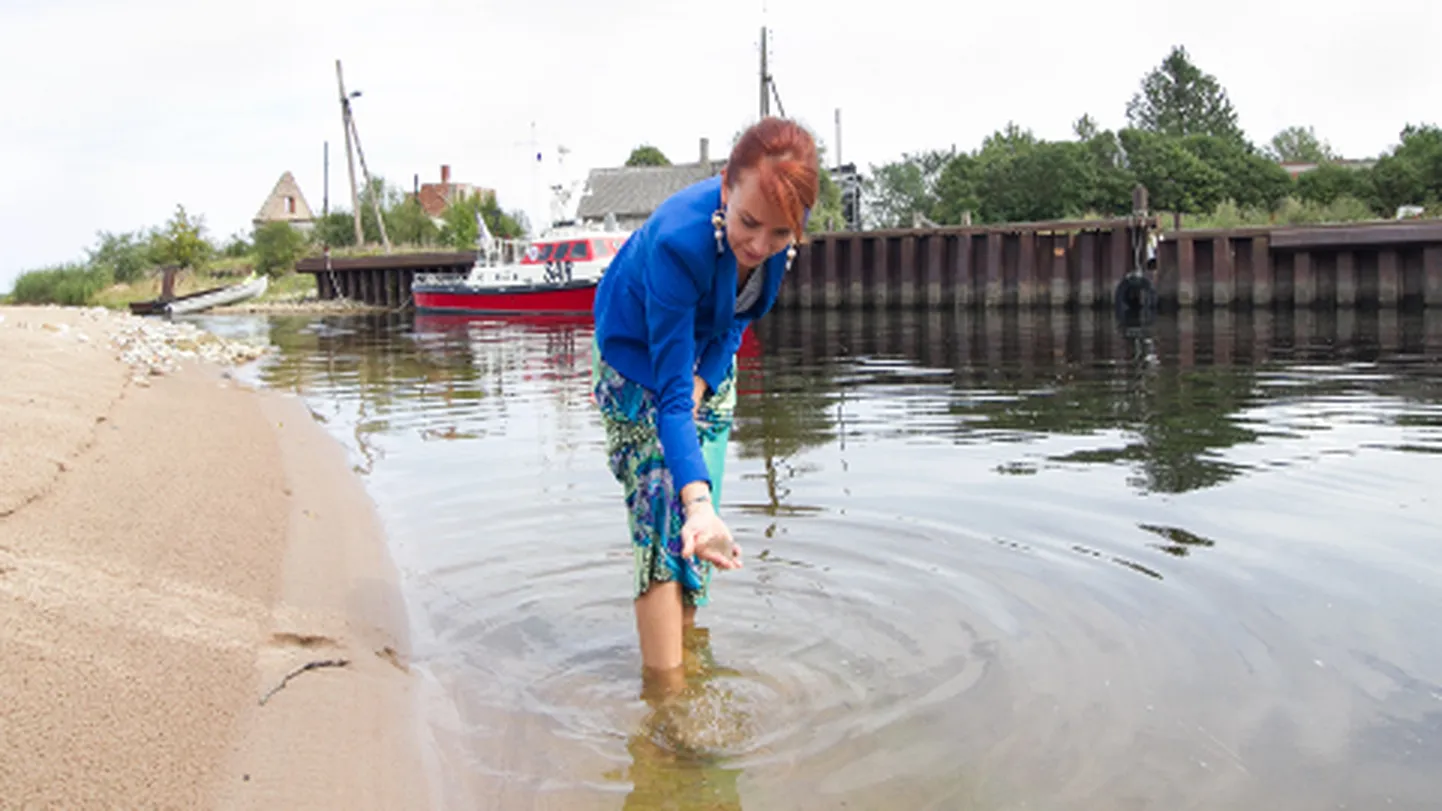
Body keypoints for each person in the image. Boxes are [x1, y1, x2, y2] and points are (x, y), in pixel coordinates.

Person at [591, 116, 820, 680]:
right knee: (667, 521)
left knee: (703, 536)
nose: (759, 247)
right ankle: (665, 711)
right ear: (725, 187)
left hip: (708, 364)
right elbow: (669, 399)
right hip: (639, 362)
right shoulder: (676, 243)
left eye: (779, 236)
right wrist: (693, 499)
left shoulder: (782, 220)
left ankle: (686, 667)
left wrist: (704, 382)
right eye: (747, 224)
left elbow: (734, 325)